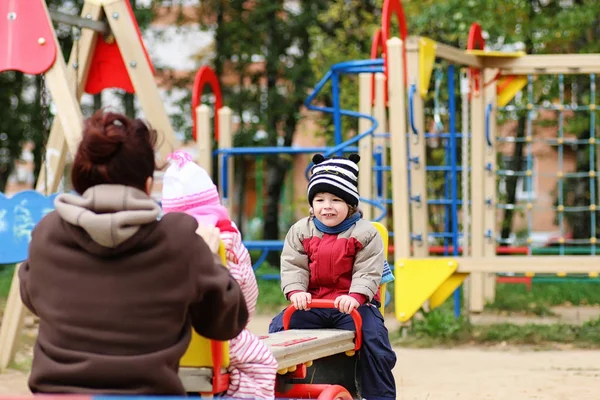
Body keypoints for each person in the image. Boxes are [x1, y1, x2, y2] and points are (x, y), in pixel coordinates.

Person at [19, 110, 248, 395]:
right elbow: (227, 323)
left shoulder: (48, 234)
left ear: (80, 179)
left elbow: (31, 294)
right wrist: (208, 254)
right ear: (148, 184)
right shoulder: (180, 241)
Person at [269, 153, 396, 400]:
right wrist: (296, 292)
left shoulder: (366, 233)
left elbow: (368, 270)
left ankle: (379, 395)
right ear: (312, 204)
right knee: (278, 328)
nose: (327, 205)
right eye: (320, 199)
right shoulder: (300, 230)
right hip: (314, 304)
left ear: (351, 205)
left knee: (376, 343)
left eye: (336, 199)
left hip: (354, 308)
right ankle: (278, 390)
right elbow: (293, 265)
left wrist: (356, 296)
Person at [161, 150, 277, 399]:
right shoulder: (223, 240)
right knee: (262, 363)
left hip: (172, 336)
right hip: (222, 334)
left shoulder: (163, 243)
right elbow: (231, 294)